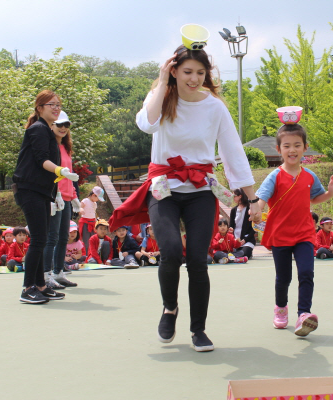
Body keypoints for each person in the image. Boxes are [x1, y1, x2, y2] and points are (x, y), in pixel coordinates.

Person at [109, 43, 259, 352]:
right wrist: (162, 83)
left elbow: (232, 151)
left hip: (200, 189)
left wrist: (253, 198)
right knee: (171, 251)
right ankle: (170, 308)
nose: (194, 78)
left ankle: (198, 329)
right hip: (163, 187)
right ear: (174, 71)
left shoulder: (214, 107)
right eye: (187, 71)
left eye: (201, 73)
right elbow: (146, 124)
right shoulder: (161, 98)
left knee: (198, 260)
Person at [255, 121, 333, 337]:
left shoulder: (310, 176)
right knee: (283, 278)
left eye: (297, 145)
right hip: (280, 234)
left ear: (305, 147)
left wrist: (330, 193)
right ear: (279, 149)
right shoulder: (274, 176)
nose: (292, 150)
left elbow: (315, 198)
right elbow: (262, 198)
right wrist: (257, 209)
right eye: (286, 146)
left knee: (306, 273)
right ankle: (280, 308)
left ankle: (304, 314)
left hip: (304, 233)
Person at [12, 90, 77, 303]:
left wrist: (58, 181)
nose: (56, 108)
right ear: (40, 108)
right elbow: (42, 160)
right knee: (40, 239)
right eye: (52, 104)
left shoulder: (47, 131)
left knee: (42, 239)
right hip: (29, 190)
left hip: (41, 191)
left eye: (58, 104)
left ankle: (40, 285)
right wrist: (60, 170)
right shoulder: (38, 129)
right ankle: (28, 288)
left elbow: (43, 166)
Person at [43, 111, 79, 289]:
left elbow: (69, 176)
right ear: (51, 125)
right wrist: (53, 194)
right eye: (59, 125)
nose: (63, 128)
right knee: (52, 237)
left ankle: (58, 272)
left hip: (66, 198)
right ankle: (46, 275)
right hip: (54, 197)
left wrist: (74, 197)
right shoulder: (50, 147)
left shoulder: (66, 147)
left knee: (63, 237)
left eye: (66, 125)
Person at [228, 188, 256, 259]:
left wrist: (245, 240)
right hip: (235, 240)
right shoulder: (233, 210)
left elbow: (254, 228)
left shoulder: (250, 209)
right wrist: (230, 230)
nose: (233, 197)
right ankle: (236, 254)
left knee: (245, 253)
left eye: (234, 196)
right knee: (229, 251)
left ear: (240, 196)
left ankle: (237, 254)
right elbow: (231, 225)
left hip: (247, 240)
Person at [79, 186, 105, 252]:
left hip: (93, 223)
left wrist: (97, 220)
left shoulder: (95, 203)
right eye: (98, 198)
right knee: (86, 240)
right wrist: (81, 209)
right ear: (93, 195)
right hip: (86, 223)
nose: (98, 200)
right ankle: (87, 254)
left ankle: (92, 253)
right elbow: (80, 207)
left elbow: (94, 212)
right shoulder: (85, 200)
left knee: (93, 239)